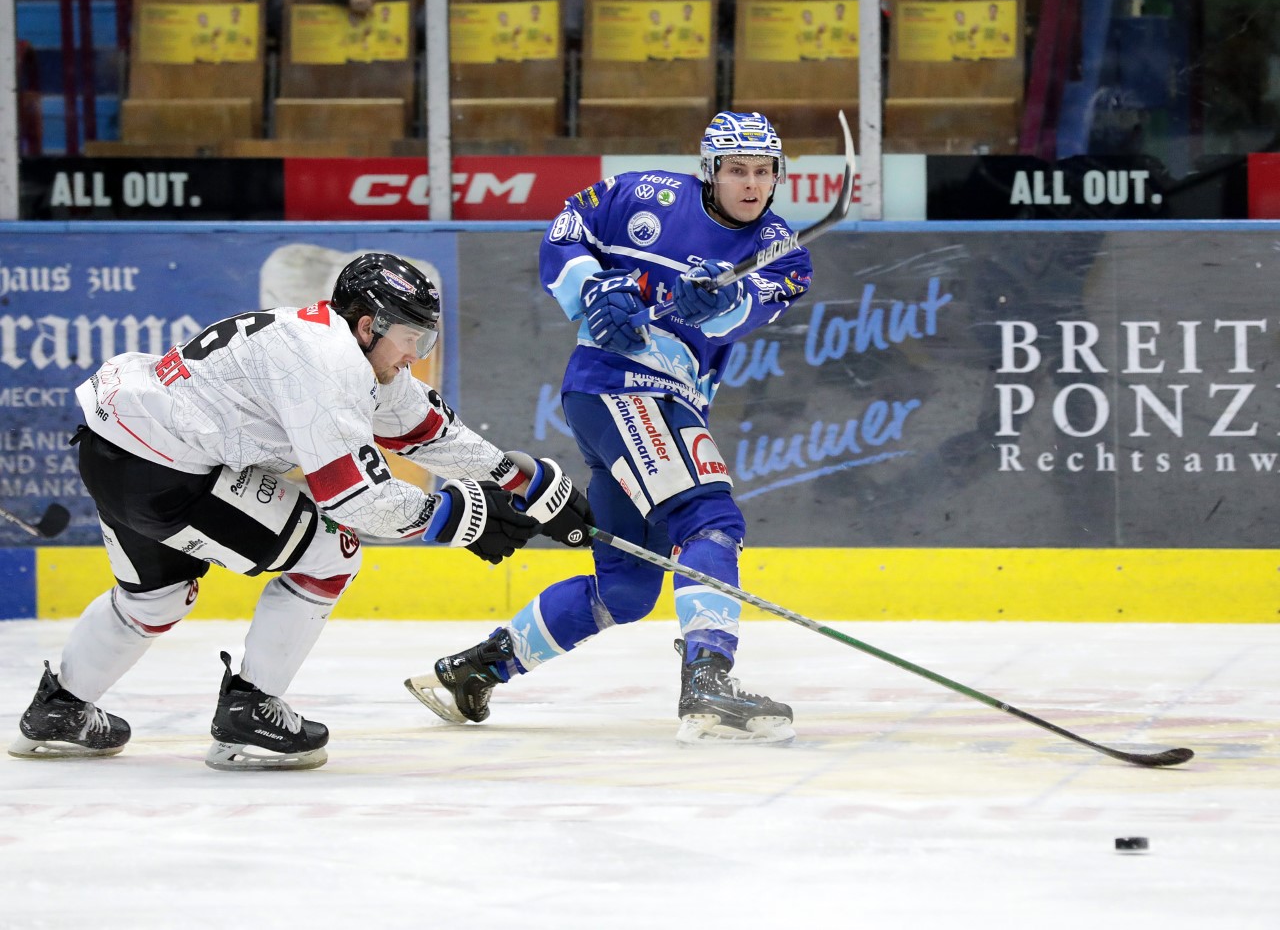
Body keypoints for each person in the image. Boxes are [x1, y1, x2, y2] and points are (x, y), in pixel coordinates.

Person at [8, 253, 592, 771]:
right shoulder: (327, 362)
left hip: (113, 450)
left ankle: (59, 710)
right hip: (166, 472)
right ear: (368, 325)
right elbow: (355, 498)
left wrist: (522, 479)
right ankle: (249, 711)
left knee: (154, 598)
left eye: (426, 339)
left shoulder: (339, 344)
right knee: (332, 552)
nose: (416, 354)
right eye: (411, 337)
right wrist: (462, 519)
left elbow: (425, 429)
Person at [410, 112, 813, 745]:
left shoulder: (783, 249)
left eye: (763, 172)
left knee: (625, 589)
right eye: (737, 169)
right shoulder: (642, 193)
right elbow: (566, 229)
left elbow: (747, 309)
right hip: (621, 386)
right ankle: (708, 677)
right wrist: (593, 287)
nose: (752, 184)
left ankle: (474, 671)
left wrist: (718, 303)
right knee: (709, 518)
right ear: (710, 170)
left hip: (657, 400)